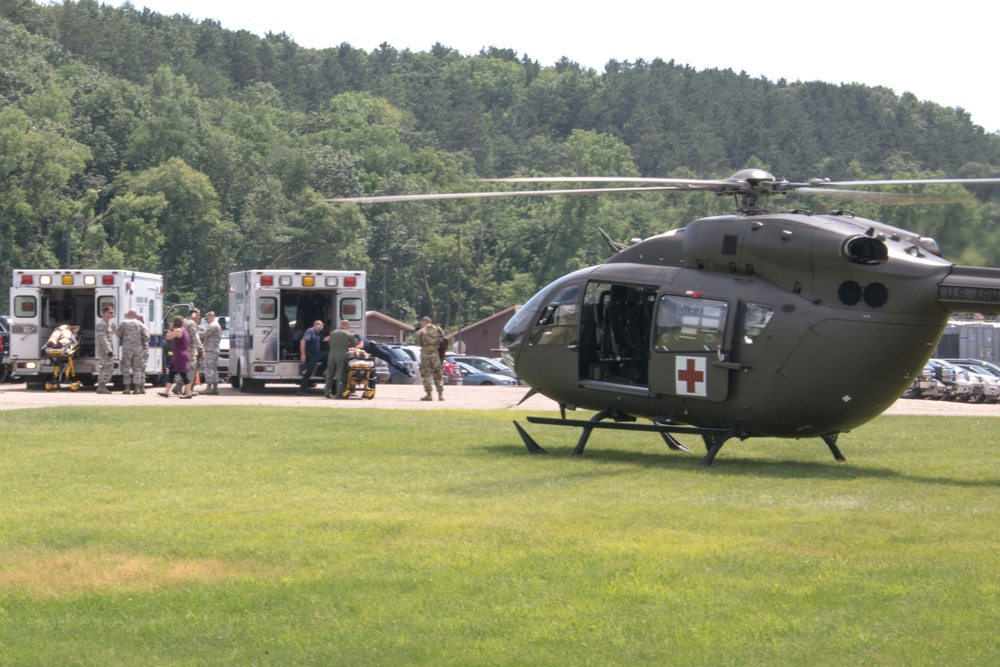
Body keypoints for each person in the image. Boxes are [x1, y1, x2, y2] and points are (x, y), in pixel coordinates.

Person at [116, 309, 149, 394]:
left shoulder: (124, 323)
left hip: (127, 349)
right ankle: (137, 388)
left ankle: (127, 387)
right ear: (135, 315)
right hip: (138, 349)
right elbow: (147, 337)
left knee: (126, 368)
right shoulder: (140, 324)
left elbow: (118, 334)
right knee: (137, 368)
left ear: (128, 314)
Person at [324, 319, 359, 399]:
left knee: (330, 374)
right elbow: (355, 344)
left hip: (331, 354)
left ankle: (327, 391)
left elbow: (329, 343)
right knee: (340, 375)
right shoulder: (348, 334)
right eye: (348, 325)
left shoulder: (332, 333)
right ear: (346, 325)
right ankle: (339, 393)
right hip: (341, 355)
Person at [161, 315, 193, 398]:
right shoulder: (184, 330)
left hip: (180, 355)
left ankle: (188, 393)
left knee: (183, 374)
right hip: (181, 355)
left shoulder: (178, 330)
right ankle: (166, 391)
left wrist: (171, 329)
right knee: (171, 373)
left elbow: (168, 337)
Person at [414, 315, 445, 401]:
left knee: (426, 374)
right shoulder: (438, 329)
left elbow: (417, 343)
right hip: (435, 354)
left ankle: (429, 394)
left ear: (424, 322)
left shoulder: (421, 332)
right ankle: (440, 394)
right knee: (438, 373)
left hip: (425, 355)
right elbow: (443, 338)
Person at [298, 320, 326, 396]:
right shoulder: (310, 331)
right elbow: (303, 342)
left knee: (327, 356)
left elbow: (325, 339)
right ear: (315, 325)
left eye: (322, 327)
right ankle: (302, 391)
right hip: (310, 356)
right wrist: (303, 355)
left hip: (317, 354)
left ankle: (319, 371)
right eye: (320, 327)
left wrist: (336, 334)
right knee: (308, 373)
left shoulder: (317, 334)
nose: (321, 329)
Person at [94, 304, 116, 394]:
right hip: (104, 351)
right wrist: (109, 351)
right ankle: (101, 386)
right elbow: (102, 338)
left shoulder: (108, 324)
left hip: (107, 350)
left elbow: (111, 336)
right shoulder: (102, 324)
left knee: (105, 368)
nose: (112, 314)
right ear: (106, 313)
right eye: (111, 312)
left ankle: (101, 386)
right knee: (108, 367)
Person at [201, 311, 222, 395]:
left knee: (208, 368)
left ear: (211, 317)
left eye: (207, 319)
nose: (206, 321)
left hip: (210, 350)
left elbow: (205, 334)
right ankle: (215, 388)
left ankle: (209, 387)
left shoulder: (213, 325)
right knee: (214, 369)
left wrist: (195, 332)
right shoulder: (217, 325)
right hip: (215, 349)